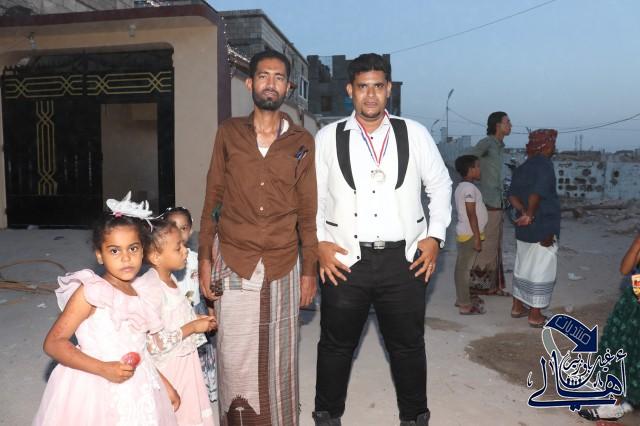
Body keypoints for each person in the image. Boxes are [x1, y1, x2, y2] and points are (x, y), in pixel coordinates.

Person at [313, 53, 452, 426]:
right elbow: (313, 198)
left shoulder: (414, 133)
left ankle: (414, 417)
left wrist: (435, 236)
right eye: (363, 87)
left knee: (407, 346)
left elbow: (441, 185)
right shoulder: (328, 137)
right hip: (345, 260)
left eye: (378, 86)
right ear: (350, 90)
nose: (371, 95)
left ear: (388, 89)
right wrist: (319, 243)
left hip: (404, 260)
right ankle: (326, 416)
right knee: (335, 345)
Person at [197, 49, 318, 426]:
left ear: (288, 88)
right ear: (250, 83)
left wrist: (309, 270)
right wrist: (204, 258)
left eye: (279, 77)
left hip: (283, 261)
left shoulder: (302, 141)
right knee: (234, 353)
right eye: (263, 76)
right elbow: (213, 198)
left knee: (280, 356)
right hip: (234, 256)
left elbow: (308, 211)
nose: (270, 83)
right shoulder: (229, 133)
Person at [33, 197, 179, 425]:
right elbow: (53, 343)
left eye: (133, 248)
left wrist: (164, 385)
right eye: (114, 251)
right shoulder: (90, 293)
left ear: (143, 251)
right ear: (99, 255)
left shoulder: (141, 293)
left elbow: (138, 349)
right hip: (95, 383)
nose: (126, 257)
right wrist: (103, 369)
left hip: (137, 386)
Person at [135, 219, 217, 426]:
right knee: (175, 414)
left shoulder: (170, 279)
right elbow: (153, 343)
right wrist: (193, 327)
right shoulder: (150, 288)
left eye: (184, 245)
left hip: (185, 362)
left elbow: (171, 317)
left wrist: (195, 319)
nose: (185, 251)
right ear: (156, 257)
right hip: (170, 368)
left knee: (190, 411)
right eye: (178, 247)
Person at [578, 233, 640, 421]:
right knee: (621, 353)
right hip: (633, 306)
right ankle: (613, 405)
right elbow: (625, 269)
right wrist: (637, 243)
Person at [163, 207, 217, 403]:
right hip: (175, 315)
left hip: (196, 310)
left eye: (183, 228)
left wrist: (211, 311)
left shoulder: (195, 259)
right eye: (173, 227)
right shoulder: (164, 260)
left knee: (201, 352)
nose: (179, 233)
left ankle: (202, 391)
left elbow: (205, 289)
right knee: (179, 355)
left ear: (191, 229)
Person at [507, 129, 560, 327]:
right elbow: (537, 193)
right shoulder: (545, 165)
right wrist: (530, 214)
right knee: (542, 268)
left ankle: (517, 306)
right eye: (553, 144)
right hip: (543, 225)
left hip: (524, 227)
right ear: (545, 146)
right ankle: (535, 315)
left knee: (523, 265)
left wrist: (523, 213)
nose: (554, 148)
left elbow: (511, 195)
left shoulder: (522, 167)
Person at [463, 111, 512, 296]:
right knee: (485, 245)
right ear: (497, 125)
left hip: (497, 203)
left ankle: (492, 286)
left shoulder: (499, 147)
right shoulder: (487, 144)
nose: (510, 125)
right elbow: (467, 159)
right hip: (487, 203)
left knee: (494, 246)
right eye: (507, 122)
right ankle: (475, 287)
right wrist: (473, 181)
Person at [453, 155, 488, 315]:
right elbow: (471, 213)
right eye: (478, 166)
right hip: (469, 234)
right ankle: (465, 305)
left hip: (468, 232)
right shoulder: (468, 189)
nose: (480, 170)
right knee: (463, 270)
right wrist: (477, 237)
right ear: (470, 169)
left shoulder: (464, 186)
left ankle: (461, 298)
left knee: (462, 267)